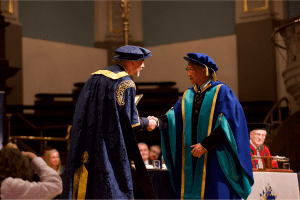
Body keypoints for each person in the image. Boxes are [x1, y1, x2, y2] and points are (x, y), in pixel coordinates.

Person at [148, 53, 254, 199]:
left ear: (204, 71)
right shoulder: (189, 95)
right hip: (192, 158)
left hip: (215, 157)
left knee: (216, 193)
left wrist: (205, 145)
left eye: (191, 69)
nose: (188, 73)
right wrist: (156, 121)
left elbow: (229, 124)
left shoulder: (222, 92)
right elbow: (173, 117)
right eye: (187, 69)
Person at [61, 45, 157, 199]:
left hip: (87, 141)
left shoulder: (95, 78)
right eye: (141, 62)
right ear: (131, 63)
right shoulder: (126, 83)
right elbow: (131, 122)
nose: (143, 66)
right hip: (108, 146)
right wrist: (148, 122)